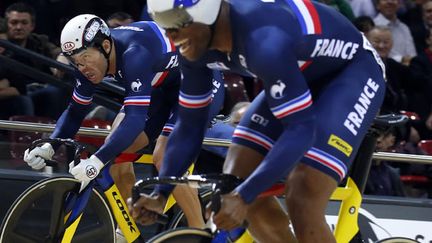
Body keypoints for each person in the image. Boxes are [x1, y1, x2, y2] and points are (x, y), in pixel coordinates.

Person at [130, 0, 386, 242]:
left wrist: (244, 196)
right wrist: (160, 193)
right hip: (297, 74)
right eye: (162, 21)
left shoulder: (264, 40)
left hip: (351, 73)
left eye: (175, 21)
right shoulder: (193, 47)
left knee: (303, 192)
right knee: (233, 183)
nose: (170, 35)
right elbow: (188, 126)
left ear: (205, 10)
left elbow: (301, 129)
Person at [22, 14, 225, 240]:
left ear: (106, 46)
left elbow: (135, 120)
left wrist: (96, 162)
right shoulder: (89, 63)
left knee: (164, 157)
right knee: (116, 152)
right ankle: (130, 229)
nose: (82, 66)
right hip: (162, 85)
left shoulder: (134, 54)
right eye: (75, 62)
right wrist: (51, 144)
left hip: (200, 83)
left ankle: (201, 232)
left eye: (86, 58)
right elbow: (75, 112)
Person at [4, 2, 67, 119]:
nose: (18, 27)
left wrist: (61, 59)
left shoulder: (39, 42)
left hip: (39, 88)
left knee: (64, 88)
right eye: (14, 22)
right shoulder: (2, 46)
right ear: (7, 25)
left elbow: (56, 52)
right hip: (15, 92)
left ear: (31, 26)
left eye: (24, 23)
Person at [373, 0, 417, 65]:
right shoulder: (372, 27)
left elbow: (413, 56)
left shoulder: (404, 27)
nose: (390, 1)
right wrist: (402, 59)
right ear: (377, 5)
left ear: (399, 4)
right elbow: (377, 56)